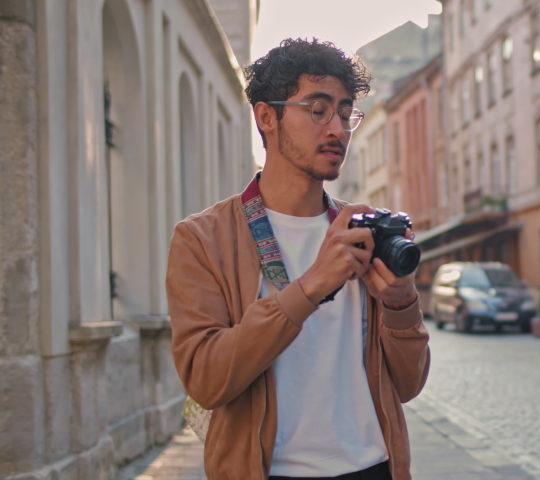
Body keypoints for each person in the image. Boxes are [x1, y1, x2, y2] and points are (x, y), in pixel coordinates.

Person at [167, 38, 430, 480]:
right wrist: (310, 287)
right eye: (317, 109)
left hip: (372, 467)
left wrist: (402, 304)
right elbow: (206, 380)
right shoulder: (202, 238)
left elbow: (407, 385)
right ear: (266, 116)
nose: (337, 129)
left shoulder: (361, 231)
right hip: (265, 471)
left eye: (346, 114)